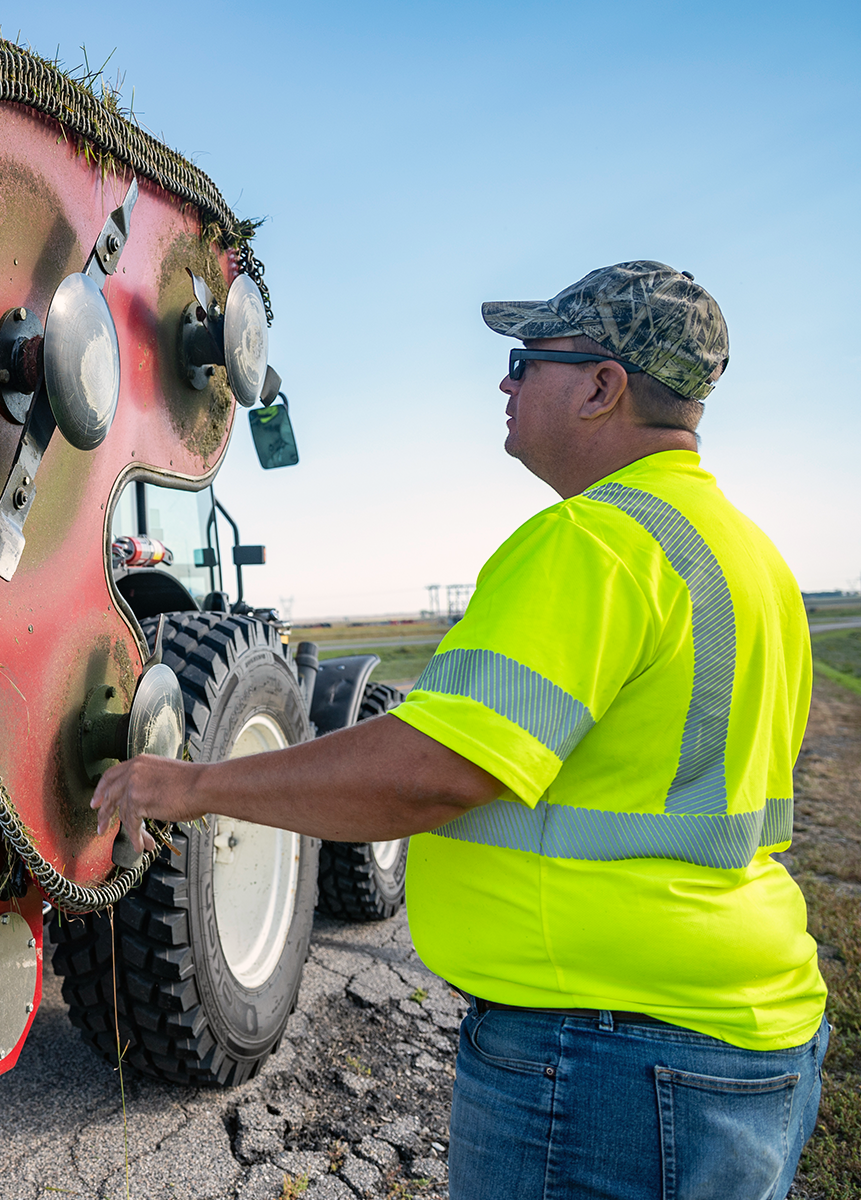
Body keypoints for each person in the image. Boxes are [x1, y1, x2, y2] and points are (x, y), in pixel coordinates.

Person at [90, 261, 828, 1200]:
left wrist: (185, 785)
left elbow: (429, 773)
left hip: (607, 1060)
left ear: (602, 387)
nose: (506, 382)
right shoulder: (749, 560)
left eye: (527, 360)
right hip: (748, 1040)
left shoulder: (595, 542)